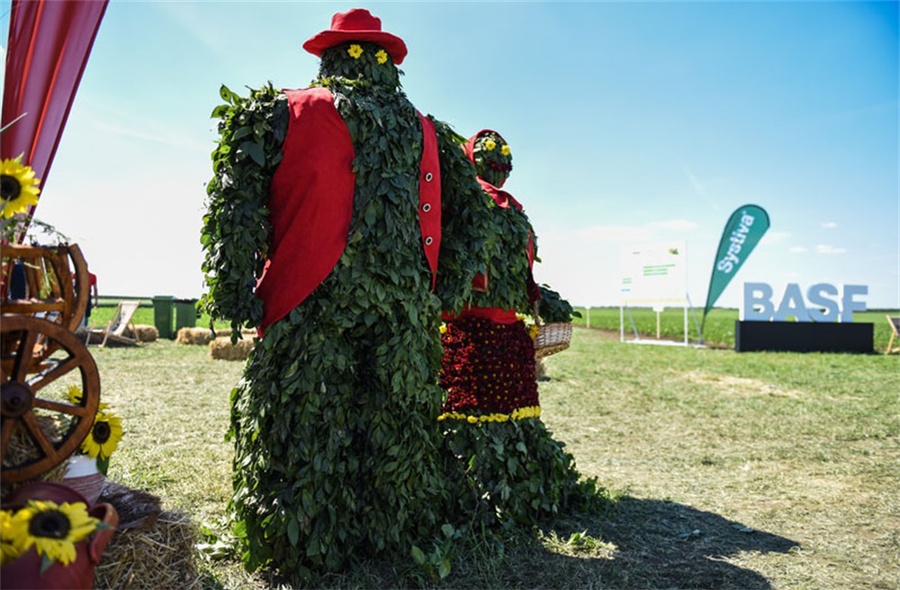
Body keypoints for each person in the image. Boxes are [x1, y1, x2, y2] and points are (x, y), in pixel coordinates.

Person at [200, 8, 494, 579]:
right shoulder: (427, 128)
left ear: (326, 57)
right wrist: (444, 290)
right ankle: (391, 532)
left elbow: (234, 200)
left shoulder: (278, 112)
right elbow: (474, 218)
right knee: (398, 420)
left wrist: (236, 289)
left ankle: (306, 544)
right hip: (402, 305)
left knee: (308, 420)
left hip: (310, 294)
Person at [439, 129, 599, 526]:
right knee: (512, 417)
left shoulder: (465, 205)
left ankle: (468, 499)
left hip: (470, 338)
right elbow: (522, 282)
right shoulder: (517, 215)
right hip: (510, 339)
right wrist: (547, 301)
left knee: (467, 416)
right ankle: (518, 496)